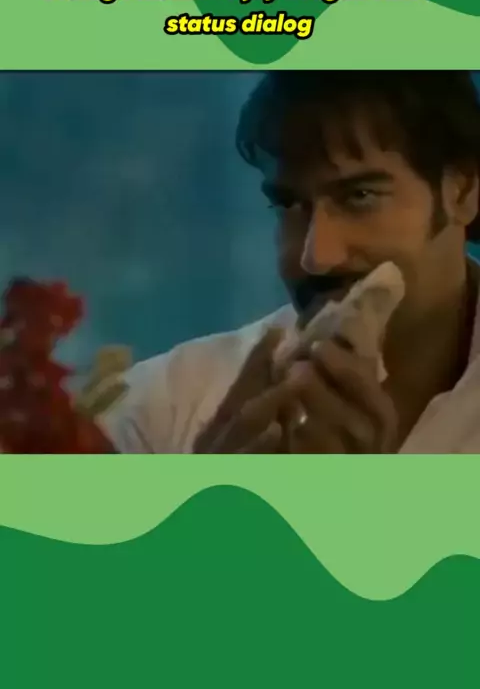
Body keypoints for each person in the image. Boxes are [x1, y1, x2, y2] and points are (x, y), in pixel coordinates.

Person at [99, 71, 480, 454]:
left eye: (360, 196)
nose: (316, 258)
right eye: (288, 204)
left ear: (463, 192)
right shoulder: (159, 409)